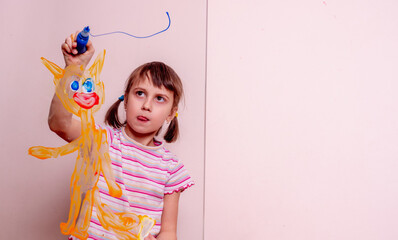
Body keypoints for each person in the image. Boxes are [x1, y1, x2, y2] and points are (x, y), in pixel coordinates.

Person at [50, 31, 194, 240]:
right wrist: (74, 69)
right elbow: (58, 123)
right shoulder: (103, 141)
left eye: (160, 98)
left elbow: (169, 232)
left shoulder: (171, 168)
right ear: (126, 100)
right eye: (140, 93)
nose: (146, 105)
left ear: (171, 113)